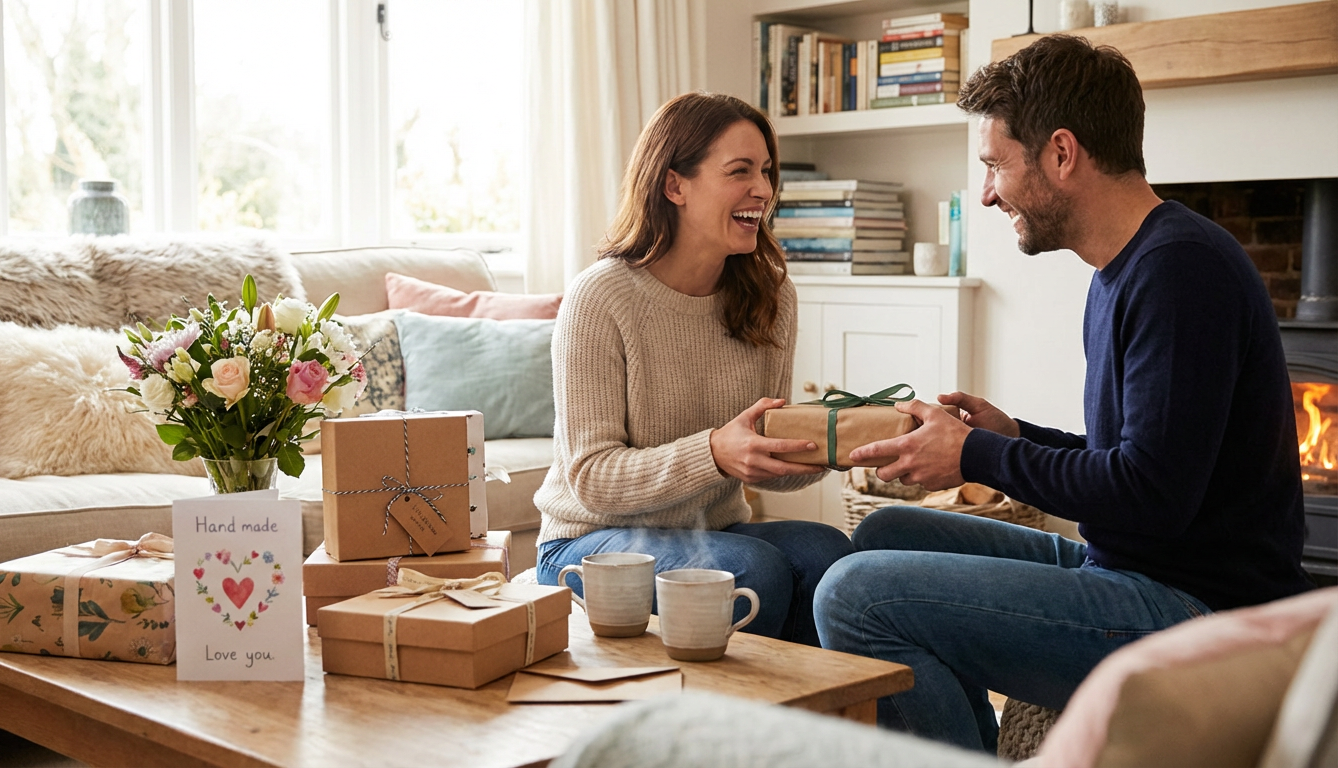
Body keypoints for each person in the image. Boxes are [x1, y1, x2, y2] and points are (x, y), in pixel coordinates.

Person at [813, 35, 1314, 752]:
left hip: (1199, 609)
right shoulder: (1128, 265)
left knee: (854, 595)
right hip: (1127, 568)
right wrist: (1016, 436)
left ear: (1061, 153)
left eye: (994, 165)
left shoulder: (1179, 273)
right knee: (884, 534)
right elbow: (1139, 459)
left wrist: (978, 456)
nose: (986, 192)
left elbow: (1153, 494)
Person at [533, 92, 854, 646]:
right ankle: (721, 728)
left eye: (766, 171)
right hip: (589, 541)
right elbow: (590, 478)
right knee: (751, 572)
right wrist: (714, 452)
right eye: (740, 171)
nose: (762, 189)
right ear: (674, 185)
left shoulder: (769, 294)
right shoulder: (601, 297)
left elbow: (774, 457)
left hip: (715, 528)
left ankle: (813, 725)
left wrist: (840, 441)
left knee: (836, 558)